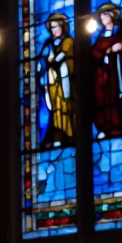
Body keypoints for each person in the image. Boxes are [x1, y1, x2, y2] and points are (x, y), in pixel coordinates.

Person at [91, 3, 122, 139]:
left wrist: (119, 47)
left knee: (113, 99)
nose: (103, 17)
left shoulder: (120, 32)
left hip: (114, 74)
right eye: (101, 15)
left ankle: (116, 127)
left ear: (112, 15)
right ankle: (103, 127)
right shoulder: (101, 36)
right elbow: (94, 53)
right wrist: (106, 52)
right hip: (100, 75)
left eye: (105, 14)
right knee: (100, 100)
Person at [38, 13, 75, 147]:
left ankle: (68, 134)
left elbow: (62, 57)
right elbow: (43, 59)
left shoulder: (68, 42)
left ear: (62, 27)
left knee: (64, 107)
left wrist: (53, 60)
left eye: (55, 27)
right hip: (52, 82)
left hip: (66, 83)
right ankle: (57, 134)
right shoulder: (50, 44)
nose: (53, 31)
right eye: (51, 28)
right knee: (55, 109)